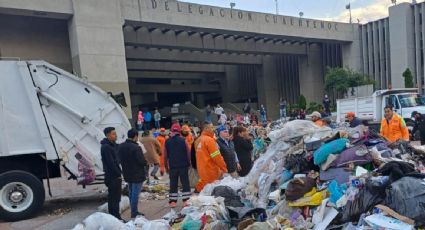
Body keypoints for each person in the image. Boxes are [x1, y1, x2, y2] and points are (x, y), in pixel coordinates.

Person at [118, 129, 147, 218]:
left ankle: (133, 211)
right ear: (135, 136)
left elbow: (119, 159)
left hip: (127, 173)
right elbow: (141, 161)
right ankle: (134, 212)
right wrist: (145, 162)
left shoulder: (121, 146)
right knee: (135, 193)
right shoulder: (136, 147)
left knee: (131, 192)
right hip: (137, 174)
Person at [195, 123, 228, 192]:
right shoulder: (209, 140)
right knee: (211, 193)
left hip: (202, 170)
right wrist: (224, 168)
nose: (213, 129)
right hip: (211, 171)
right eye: (211, 127)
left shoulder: (198, 140)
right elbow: (217, 157)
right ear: (206, 129)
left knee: (204, 191)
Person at [165, 124, 191, 207]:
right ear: (179, 131)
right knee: (185, 183)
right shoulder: (183, 140)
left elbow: (165, 156)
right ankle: (186, 201)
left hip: (173, 166)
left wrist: (166, 167)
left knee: (173, 183)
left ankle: (173, 201)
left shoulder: (167, 141)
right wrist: (189, 163)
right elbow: (188, 153)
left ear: (171, 131)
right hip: (183, 166)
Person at [100, 127, 123, 221]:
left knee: (116, 198)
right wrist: (119, 173)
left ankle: (115, 217)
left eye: (115, 133)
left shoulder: (112, 145)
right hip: (112, 177)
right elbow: (111, 164)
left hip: (115, 176)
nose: (116, 135)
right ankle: (115, 218)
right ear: (108, 135)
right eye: (113, 134)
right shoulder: (106, 147)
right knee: (113, 199)